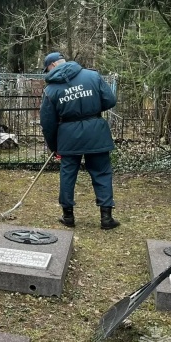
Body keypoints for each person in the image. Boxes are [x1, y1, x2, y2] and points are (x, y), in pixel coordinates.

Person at [40, 52, 120, 230]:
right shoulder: (92, 76)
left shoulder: (51, 90)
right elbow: (110, 100)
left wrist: (54, 146)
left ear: (52, 65)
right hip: (95, 132)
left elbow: (48, 123)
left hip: (69, 136)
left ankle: (68, 216)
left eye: (47, 69)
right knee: (101, 172)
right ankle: (106, 217)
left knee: (68, 174)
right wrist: (92, 108)